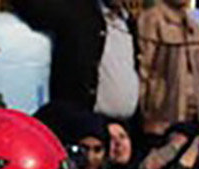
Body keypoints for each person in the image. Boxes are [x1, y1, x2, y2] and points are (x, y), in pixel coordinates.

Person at [12, 0, 140, 120]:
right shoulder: (76, 10)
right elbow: (33, 7)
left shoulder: (127, 20)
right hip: (86, 127)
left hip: (124, 128)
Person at [137, 0, 199, 135]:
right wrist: (148, 113)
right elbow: (144, 70)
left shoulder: (194, 28)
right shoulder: (152, 19)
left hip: (193, 116)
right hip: (163, 116)